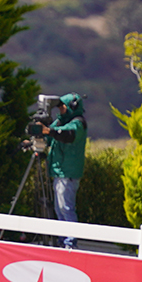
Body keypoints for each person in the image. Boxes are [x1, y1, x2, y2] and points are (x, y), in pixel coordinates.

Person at [42, 92, 87, 249]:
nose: (60, 111)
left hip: (68, 173)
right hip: (60, 172)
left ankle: (70, 243)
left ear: (71, 108)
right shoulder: (62, 122)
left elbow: (67, 135)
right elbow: (50, 133)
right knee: (59, 209)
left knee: (66, 208)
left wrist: (50, 131)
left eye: (62, 107)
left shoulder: (78, 123)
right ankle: (64, 241)